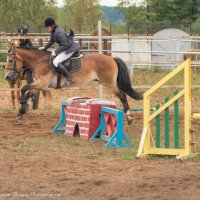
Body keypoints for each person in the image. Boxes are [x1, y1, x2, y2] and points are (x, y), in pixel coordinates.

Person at [39, 17, 80, 84]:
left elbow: (65, 45)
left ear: (52, 26)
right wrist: (44, 48)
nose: (47, 29)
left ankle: (69, 77)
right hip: (66, 47)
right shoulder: (53, 31)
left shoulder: (58, 32)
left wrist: (56, 51)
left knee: (56, 62)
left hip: (70, 48)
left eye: (47, 27)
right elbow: (51, 41)